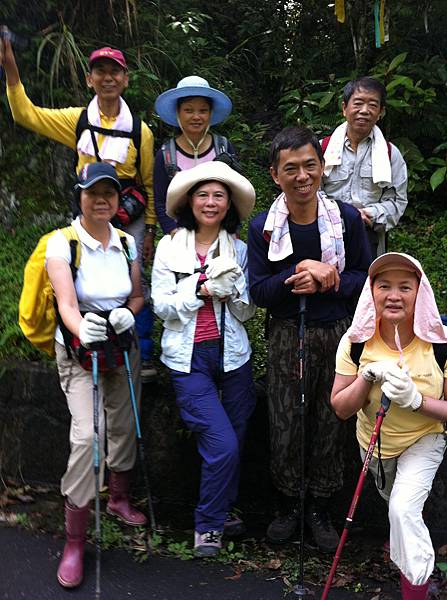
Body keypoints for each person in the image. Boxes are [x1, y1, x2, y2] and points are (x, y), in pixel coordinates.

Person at [0, 34, 157, 382]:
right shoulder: (77, 120)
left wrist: (148, 229)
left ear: (125, 78)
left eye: (114, 71)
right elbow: (26, 115)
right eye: (99, 71)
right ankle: (79, 339)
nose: (108, 77)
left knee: (135, 278)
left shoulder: (139, 132)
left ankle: (140, 351)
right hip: (89, 210)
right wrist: (11, 69)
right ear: (90, 79)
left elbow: (147, 181)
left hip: (127, 212)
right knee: (75, 272)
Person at [247, 126, 371, 552]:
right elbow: (259, 291)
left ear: (321, 167)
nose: (302, 176)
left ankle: (320, 508)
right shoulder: (264, 228)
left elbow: (364, 279)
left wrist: (328, 279)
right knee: (284, 420)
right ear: (275, 175)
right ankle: (287, 505)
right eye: (291, 169)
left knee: (329, 422)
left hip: (337, 334)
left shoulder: (347, 220)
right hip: (286, 333)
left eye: (310, 166)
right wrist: (299, 271)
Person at [45, 162, 147, 588]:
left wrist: (130, 312)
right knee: (89, 435)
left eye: (109, 193)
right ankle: (74, 538)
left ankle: (118, 498)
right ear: (80, 195)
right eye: (93, 193)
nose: (102, 200)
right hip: (79, 346)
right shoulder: (62, 242)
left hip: (121, 345)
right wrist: (78, 326)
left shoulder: (126, 242)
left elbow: (138, 296)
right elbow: (68, 303)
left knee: (124, 424)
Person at [151, 160, 256, 557]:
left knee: (236, 440)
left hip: (233, 358)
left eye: (218, 195)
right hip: (187, 359)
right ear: (189, 202)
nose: (210, 203)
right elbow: (162, 306)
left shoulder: (241, 250)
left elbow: (247, 313)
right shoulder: (169, 246)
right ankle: (208, 526)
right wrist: (200, 290)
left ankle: (224, 508)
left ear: (228, 205)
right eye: (203, 195)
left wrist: (233, 291)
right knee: (222, 442)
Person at [331, 252, 447, 599]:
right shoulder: (355, 342)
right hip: (375, 443)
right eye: (384, 286)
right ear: (372, 292)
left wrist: (416, 401)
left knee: (402, 508)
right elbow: (340, 407)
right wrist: (367, 376)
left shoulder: (441, 343)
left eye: (405, 287)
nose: (394, 295)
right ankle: (407, 549)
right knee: (400, 508)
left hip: (425, 438)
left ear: (420, 292)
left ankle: (417, 589)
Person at [321, 76, 408, 259]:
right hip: (324, 235)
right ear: (345, 108)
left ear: (381, 112)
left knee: (365, 285)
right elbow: (310, 192)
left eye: (373, 105)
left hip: (369, 237)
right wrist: (340, 214)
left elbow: (397, 202)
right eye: (358, 103)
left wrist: (368, 215)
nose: (364, 111)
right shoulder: (322, 149)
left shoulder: (391, 154)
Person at [153, 75, 238, 234]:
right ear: (178, 112)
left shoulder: (223, 148)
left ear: (210, 113)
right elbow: (160, 201)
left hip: (220, 234)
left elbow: (235, 195)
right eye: (188, 110)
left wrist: (231, 232)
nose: (196, 117)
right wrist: (173, 233)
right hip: (179, 235)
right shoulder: (166, 155)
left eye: (203, 110)